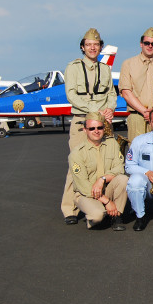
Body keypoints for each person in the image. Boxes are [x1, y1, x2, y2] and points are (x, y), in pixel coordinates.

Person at [61, 28, 118, 225]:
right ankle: (70, 209)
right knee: (75, 165)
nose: (92, 48)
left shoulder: (104, 69)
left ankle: (101, 203)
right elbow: (72, 95)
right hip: (81, 121)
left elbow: (111, 93)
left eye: (96, 45)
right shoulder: (73, 67)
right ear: (83, 47)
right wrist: (96, 111)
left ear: (100, 47)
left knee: (106, 164)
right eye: (89, 45)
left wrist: (110, 109)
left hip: (102, 123)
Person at [69, 112, 128, 231]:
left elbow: (119, 168)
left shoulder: (112, 143)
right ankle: (103, 212)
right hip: (86, 194)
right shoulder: (77, 153)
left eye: (99, 127)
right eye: (92, 128)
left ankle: (116, 216)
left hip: (106, 188)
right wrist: (107, 201)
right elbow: (84, 187)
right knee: (97, 216)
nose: (96, 131)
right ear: (85, 130)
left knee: (123, 179)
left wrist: (103, 179)